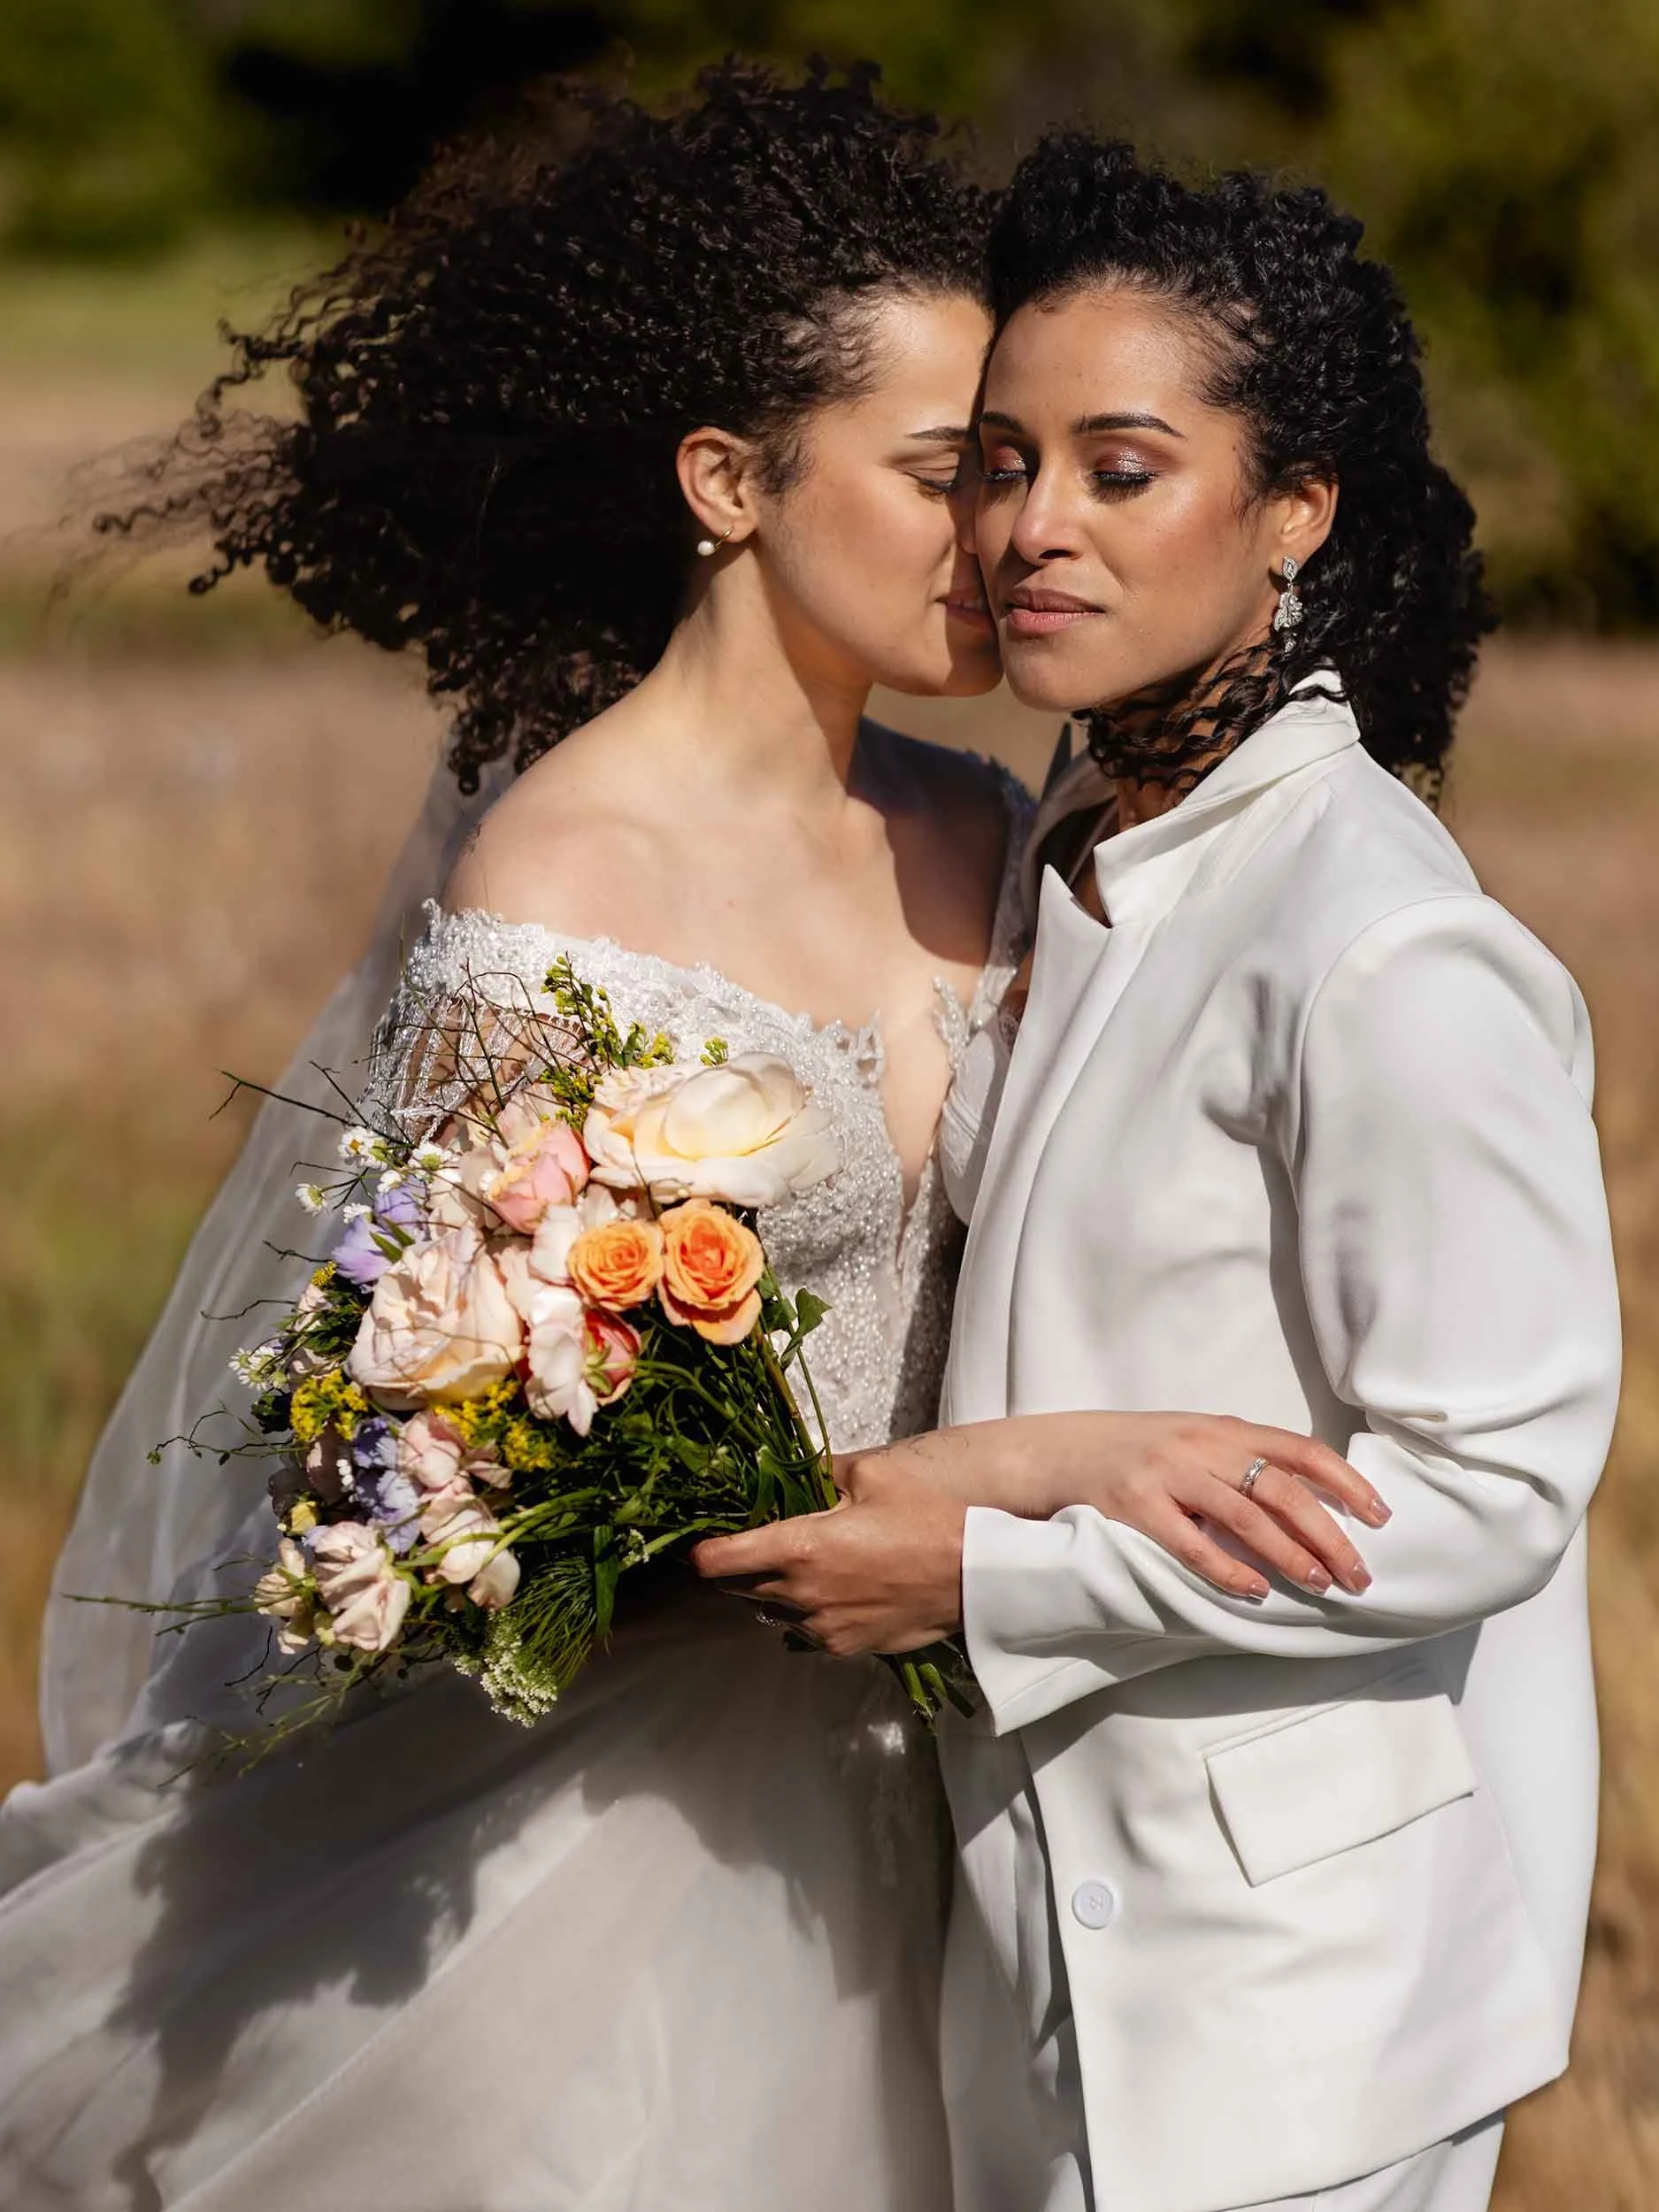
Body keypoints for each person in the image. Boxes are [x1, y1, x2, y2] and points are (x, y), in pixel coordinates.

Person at [0, 72, 1378, 2211]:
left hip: (955, 1789)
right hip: (601, 1851)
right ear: (728, 479)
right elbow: (491, 1520)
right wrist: (1003, 1475)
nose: (1003, 531)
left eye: (1020, 467)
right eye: (945, 470)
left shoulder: (983, 822)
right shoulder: (560, 887)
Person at [703, 139, 1622, 2212]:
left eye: (1122, 469)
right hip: (1038, 1938)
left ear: (1290, 511)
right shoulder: (1079, 840)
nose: (1031, 526)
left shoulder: (1381, 941)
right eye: (998, 463)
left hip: (1297, 2002)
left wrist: (980, 1573)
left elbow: (1487, 1489)